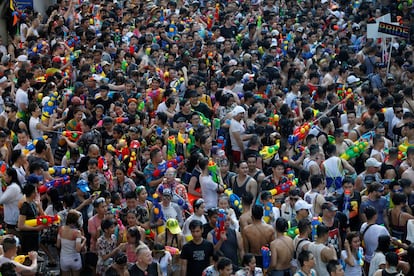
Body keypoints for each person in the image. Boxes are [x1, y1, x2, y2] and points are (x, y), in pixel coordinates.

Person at [17, 183, 46, 254]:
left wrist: (39, 206)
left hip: (34, 236)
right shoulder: (25, 206)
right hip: (28, 237)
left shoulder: (33, 203)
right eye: (35, 191)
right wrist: (36, 228)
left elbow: (42, 215)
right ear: (32, 193)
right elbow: (20, 225)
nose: (37, 193)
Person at [359, 206, 389, 274]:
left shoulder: (363, 226)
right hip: (379, 261)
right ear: (375, 216)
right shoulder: (381, 229)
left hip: (367, 259)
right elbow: (390, 239)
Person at [57, 210, 86, 276]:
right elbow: (78, 249)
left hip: (64, 259)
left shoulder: (61, 229)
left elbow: (58, 245)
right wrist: (84, 241)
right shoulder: (77, 233)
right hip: (75, 259)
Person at [0, 168, 23, 235]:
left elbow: (1, 200)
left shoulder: (13, 188)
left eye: (5, 175)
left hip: (12, 219)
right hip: (13, 217)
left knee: (12, 240)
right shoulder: (14, 186)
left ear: (10, 177)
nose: (4, 177)